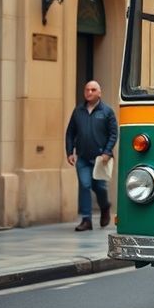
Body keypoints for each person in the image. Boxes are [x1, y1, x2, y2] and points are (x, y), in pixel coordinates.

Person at [65, 80, 118, 230]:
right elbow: (70, 133)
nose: (89, 92)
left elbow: (113, 134)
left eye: (93, 90)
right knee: (85, 184)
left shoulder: (107, 111)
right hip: (82, 157)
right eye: (87, 89)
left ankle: (105, 207)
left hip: (101, 159)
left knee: (99, 187)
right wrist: (70, 152)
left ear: (99, 93)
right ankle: (86, 220)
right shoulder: (78, 111)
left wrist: (107, 152)